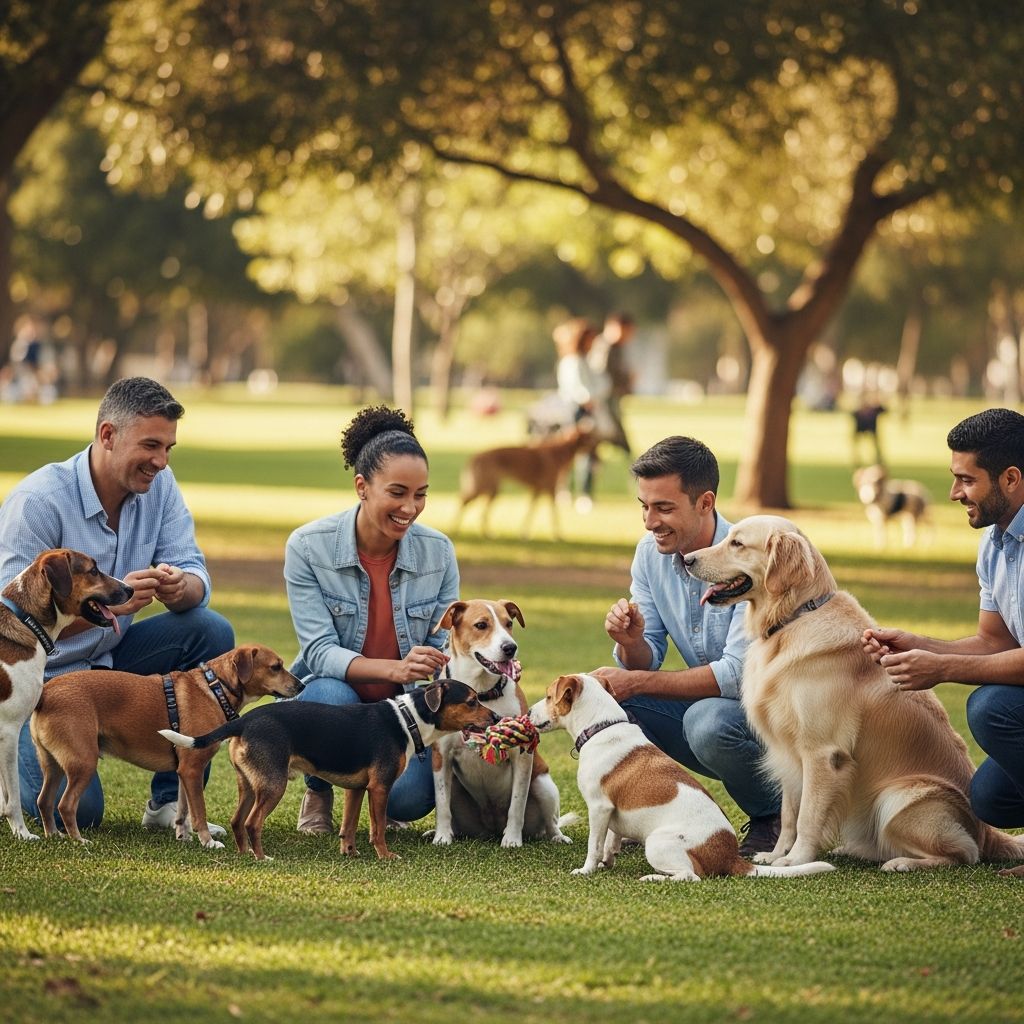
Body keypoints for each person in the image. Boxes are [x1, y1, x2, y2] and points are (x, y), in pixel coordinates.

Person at [0, 376, 235, 831]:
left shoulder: (160, 487)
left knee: (209, 629)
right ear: (108, 435)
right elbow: (8, 621)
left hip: (113, 660)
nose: (161, 461)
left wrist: (180, 586)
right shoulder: (38, 502)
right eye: (151, 445)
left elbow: (194, 571)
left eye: (168, 448)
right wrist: (109, 610)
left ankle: (171, 804)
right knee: (82, 813)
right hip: (41, 682)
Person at [591, 435, 782, 855]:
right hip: (719, 707)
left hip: (774, 720)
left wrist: (636, 680)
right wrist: (631, 642)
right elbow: (646, 658)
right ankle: (643, 814)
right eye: (644, 506)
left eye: (663, 508)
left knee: (707, 722)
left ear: (705, 503)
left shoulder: (751, 556)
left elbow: (737, 676)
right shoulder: (650, 554)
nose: (649, 521)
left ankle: (773, 815)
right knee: (614, 701)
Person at [863, 407, 1024, 878]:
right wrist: (923, 645)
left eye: (966, 480)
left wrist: (943, 669)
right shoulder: (995, 543)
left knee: (991, 708)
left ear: (1010, 478)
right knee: (989, 797)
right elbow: (994, 641)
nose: (954, 493)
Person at [284, 405, 459, 834]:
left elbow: (447, 644)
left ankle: (380, 793)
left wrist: (488, 665)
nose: (410, 507)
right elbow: (319, 652)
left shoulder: (439, 552)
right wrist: (395, 668)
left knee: (410, 799)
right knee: (327, 694)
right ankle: (320, 789)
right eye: (397, 493)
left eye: (421, 494)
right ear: (362, 486)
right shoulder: (307, 547)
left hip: (401, 711)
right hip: (335, 698)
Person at [553, 317, 609, 513]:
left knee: (588, 454)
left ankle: (584, 492)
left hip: (587, 409)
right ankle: (569, 491)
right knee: (573, 454)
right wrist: (590, 398)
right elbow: (579, 390)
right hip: (576, 411)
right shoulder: (572, 362)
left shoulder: (586, 361)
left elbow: (601, 384)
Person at [588, 312, 635, 455]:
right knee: (609, 431)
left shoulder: (616, 347)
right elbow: (601, 373)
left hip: (611, 395)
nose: (629, 336)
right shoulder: (605, 346)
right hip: (604, 397)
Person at [852, 395, 886, 466]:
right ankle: (857, 459)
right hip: (862, 429)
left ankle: (878, 458)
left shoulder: (873, 411)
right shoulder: (858, 413)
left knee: (875, 444)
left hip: (871, 429)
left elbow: (884, 410)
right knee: (857, 445)